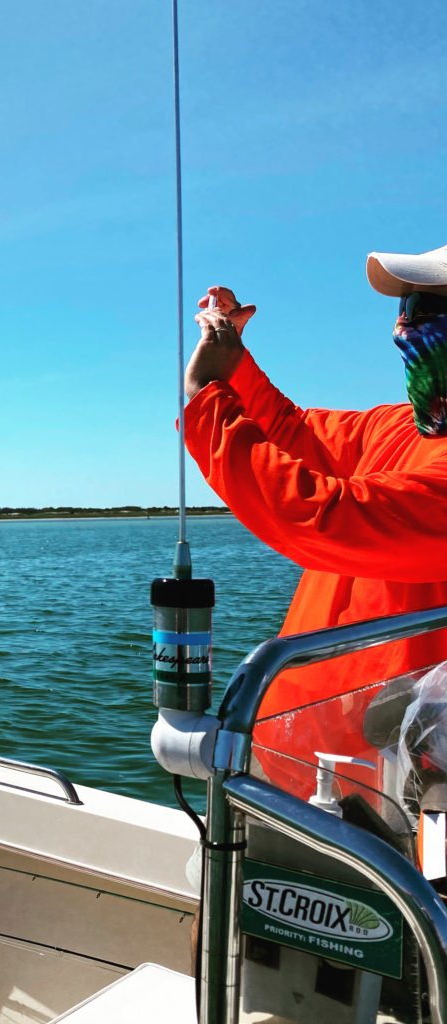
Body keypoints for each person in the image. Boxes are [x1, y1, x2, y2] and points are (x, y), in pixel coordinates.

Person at [183, 244, 447, 798]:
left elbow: (326, 517)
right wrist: (234, 365)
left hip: (396, 794)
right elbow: (294, 431)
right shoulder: (403, 428)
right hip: (298, 767)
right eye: (405, 304)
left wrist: (208, 397)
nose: (404, 323)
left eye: (425, 305)